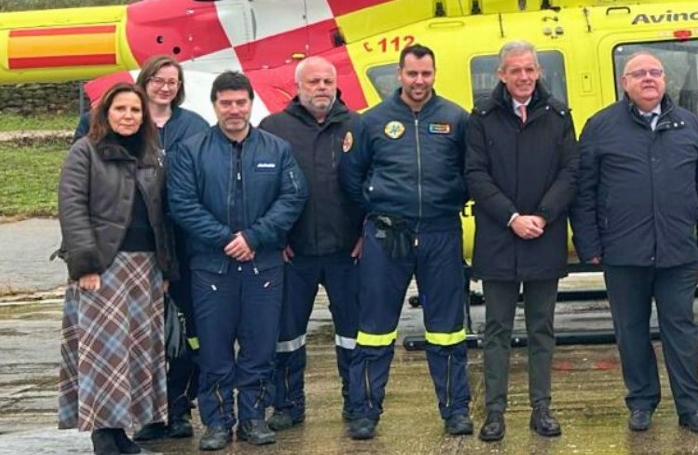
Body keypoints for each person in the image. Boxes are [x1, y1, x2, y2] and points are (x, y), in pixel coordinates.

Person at [572, 51, 698, 434]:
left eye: (655, 72)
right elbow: (584, 191)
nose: (648, 79)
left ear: (665, 80)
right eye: (639, 74)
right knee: (631, 332)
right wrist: (588, 244)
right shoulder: (601, 126)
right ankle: (641, 402)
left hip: (678, 252)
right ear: (625, 83)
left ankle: (691, 407)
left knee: (681, 332)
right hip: (624, 253)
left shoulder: (687, 124)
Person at [339, 43, 473, 439]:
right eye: (412, 74)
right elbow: (350, 177)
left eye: (426, 74)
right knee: (375, 328)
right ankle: (365, 411)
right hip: (387, 234)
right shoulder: (371, 121)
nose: (419, 82)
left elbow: (472, 170)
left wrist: (449, 198)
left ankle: (456, 410)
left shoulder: (455, 118)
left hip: (440, 231)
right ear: (399, 74)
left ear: (434, 74)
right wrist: (379, 208)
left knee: (447, 328)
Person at [75, 56, 212, 443]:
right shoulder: (92, 139)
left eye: (173, 81)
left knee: (171, 339)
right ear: (143, 81)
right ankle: (119, 427)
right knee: (114, 346)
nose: (165, 87)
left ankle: (175, 409)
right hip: (113, 256)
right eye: (158, 79)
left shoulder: (192, 127)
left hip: (173, 249)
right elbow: (76, 203)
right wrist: (85, 259)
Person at [167, 71, 307, 450]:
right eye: (226, 103)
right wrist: (226, 239)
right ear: (214, 105)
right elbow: (182, 203)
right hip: (212, 267)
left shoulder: (276, 149)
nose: (234, 110)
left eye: (240, 102)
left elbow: (293, 197)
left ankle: (253, 419)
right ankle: (216, 423)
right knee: (214, 349)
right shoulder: (191, 151)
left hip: (263, 265)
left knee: (259, 347)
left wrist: (254, 236)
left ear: (251, 103)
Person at [464, 41, 578, 442]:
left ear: (538, 72)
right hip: (499, 237)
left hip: (543, 237)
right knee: (495, 328)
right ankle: (495, 411)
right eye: (515, 71)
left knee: (542, 328)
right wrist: (512, 217)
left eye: (530, 70)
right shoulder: (481, 117)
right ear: (501, 74)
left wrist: (543, 216)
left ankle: (541, 408)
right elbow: (475, 175)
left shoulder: (559, 115)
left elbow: (570, 172)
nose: (524, 77)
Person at [58, 82, 176, 455]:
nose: (128, 116)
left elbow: (162, 216)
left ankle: (123, 433)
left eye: (135, 110)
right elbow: (72, 209)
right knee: (104, 354)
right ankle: (103, 437)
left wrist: (166, 271)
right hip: (104, 267)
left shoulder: (150, 154)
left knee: (138, 352)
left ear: (145, 117)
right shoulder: (85, 151)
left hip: (146, 269)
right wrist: (86, 265)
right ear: (105, 114)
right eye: (120, 109)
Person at [257, 57, 361, 430]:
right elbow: (260, 190)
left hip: (347, 251)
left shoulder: (357, 126)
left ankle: (357, 402)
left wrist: (365, 231)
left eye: (327, 81)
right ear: (297, 85)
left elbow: (373, 183)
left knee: (352, 333)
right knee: (287, 334)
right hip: (293, 252)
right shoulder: (273, 129)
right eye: (313, 81)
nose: (321, 87)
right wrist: (275, 235)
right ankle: (287, 404)